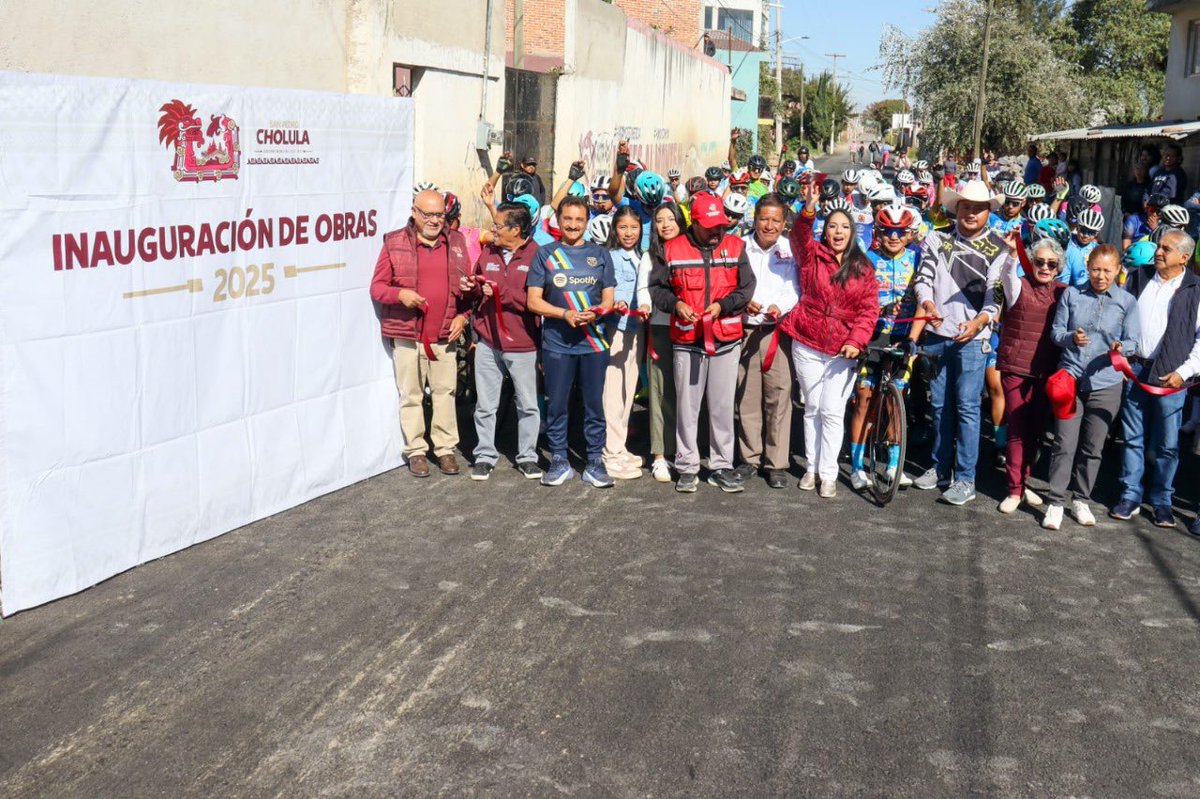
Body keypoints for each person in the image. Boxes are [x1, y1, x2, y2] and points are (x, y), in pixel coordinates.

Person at [649, 191, 756, 494]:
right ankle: (686, 465)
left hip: (726, 338)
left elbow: (747, 287)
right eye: (710, 226)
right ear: (694, 223)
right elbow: (657, 289)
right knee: (687, 405)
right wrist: (675, 304)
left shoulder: (736, 246)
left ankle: (721, 465)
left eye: (721, 225)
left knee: (722, 406)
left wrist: (725, 305)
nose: (717, 231)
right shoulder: (671, 250)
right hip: (687, 338)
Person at [780, 179, 881, 498]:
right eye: (833, 227)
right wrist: (808, 211)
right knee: (811, 408)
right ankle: (811, 469)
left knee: (832, 411)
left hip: (842, 352)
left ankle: (829, 474)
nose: (838, 232)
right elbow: (797, 237)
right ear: (825, 231)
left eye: (844, 228)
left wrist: (857, 340)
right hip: (808, 342)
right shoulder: (812, 256)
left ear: (853, 233)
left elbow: (869, 310)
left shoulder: (863, 268)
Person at [912, 180, 1009, 505]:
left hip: (973, 339)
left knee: (968, 408)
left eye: (978, 208)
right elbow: (922, 279)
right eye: (965, 206)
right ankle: (939, 467)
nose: (971, 212)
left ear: (988, 212)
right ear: (956, 208)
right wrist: (927, 305)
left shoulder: (1000, 248)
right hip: (937, 335)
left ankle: (965, 478)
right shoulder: (936, 238)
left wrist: (980, 322)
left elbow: (996, 296)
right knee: (939, 406)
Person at [370, 190, 471, 477]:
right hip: (408, 334)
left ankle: (445, 449)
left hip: (444, 333)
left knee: (445, 393)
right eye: (427, 214)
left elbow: (469, 290)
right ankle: (416, 450)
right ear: (414, 212)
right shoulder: (394, 242)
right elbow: (377, 287)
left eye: (439, 214)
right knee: (411, 394)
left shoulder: (458, 242)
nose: (434, 220)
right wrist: (399, 293)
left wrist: (463, 316)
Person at [1042, 245, 1140, 530]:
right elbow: (1056, 333)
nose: (1100, 276)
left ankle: (1082, 498)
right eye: (1096, 269)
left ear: (1118, 270)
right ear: (1088, 266)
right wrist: (1073, 337)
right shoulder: (1072, 294)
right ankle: (1055, 502)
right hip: (1070, 378)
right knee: (1064, 443)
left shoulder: (1127, 301)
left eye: (1107, 270)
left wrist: (1122, 347)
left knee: (1093, 447)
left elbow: (1134, 341)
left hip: (1106, 382)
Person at [1110, 229, 1200, 527]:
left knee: (1167, 443)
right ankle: (1130, 494)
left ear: (1184, 257)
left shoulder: (1196, 289)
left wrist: (1183, 373)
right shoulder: (1138, 276)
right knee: (1133, 437)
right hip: (1135, 369)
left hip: (1171, 376)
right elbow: (1120, 316)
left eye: (1166, 248)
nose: (1157, 252)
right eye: (1158, 247)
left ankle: (1162, 500)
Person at [526, 195, 617, 488]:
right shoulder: (544, 254)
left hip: (594, 343)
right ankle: (559, 461)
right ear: (558, 220)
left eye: (579, 220)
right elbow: (533, 302)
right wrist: (564, 313)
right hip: (557, 344)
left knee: (594, 405)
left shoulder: (601, 254)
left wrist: (596, 313)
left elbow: (609, 298)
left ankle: (594, 462)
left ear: (586, 221)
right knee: (557, 406)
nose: (573, 225)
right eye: (568, 219)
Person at [460, 202, 543, 481]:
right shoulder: (488, 252)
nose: (492, 230)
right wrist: (472, 289)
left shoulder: (537, 256)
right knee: (485, 403)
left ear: (516, 230)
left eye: (498, 225)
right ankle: (484, 454)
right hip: (488, 341)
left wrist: (501, 293)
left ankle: (528, 456)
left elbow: (537, 301)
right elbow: (476, 286)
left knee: (528, 404)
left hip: (523, 343)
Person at [847, 203, 925, 491]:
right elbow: (853, 301)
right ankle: (856, 467)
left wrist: (914, 339)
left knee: (896, 402)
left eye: (900, 231)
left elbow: (922, 302)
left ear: (909, 234)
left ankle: (893, 464)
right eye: (887, 231)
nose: (894, 237)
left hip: (904, 337)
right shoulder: (865, 259)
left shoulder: (917, 260)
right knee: (864, 399)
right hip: (872, 337)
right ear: (878, 231)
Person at [995, 234, 1066, 513]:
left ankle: (1023, 483)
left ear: (1059, 267)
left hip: (1047, 372)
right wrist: (1013, 253)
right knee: (1017, 430)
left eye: (1051, 263)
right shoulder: (1018, 286)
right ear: (1030, 262)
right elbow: (1006, 274)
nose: (1045, 267)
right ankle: (1013, 490)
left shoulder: (1064, 291)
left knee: (1036, 432)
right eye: (1039, 261)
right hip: (1016, 369)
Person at [735, 194, 799, 489]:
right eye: (764, 219)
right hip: (744, 329)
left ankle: (776, 463)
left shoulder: (789, 250)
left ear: (784, 223)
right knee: (747, 396)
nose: (769, 225)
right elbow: (730, 283)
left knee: (779, 396)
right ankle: (749, 458)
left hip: (777, 331)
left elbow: (795, 288)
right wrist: (743, 302)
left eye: (776, 220)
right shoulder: (739, 247)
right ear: (754, 219)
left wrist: (778, 306)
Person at [637, 203, 685, 482]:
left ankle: (685, 451)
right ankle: (659, 455)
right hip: (660, 327)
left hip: (691, 329)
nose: (665, 224)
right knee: (659, 392)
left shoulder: (693, 251)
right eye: (659, 220)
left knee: (687, 395)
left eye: (671, 219)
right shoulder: (651, 255)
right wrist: (645, 304)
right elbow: (644, 287)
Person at [601, 207, 647, 480]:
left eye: (634, 227)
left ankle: (620, 447)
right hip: (616, 330)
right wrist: (614, 302)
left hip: (636, 330)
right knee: (613, 392)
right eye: (623, 228)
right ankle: (610, 453)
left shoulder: (641, 257)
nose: (628, 233)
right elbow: (606, 289)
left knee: (628, 391)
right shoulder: (611, 257)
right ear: (614, 230)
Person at [1063, 209, 1104, 288]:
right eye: (1083, 230)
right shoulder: (1066, 241)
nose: (1086, 235)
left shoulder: (1098, 250)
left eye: (1091, 232)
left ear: (1097, 233)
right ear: (1077, 227)